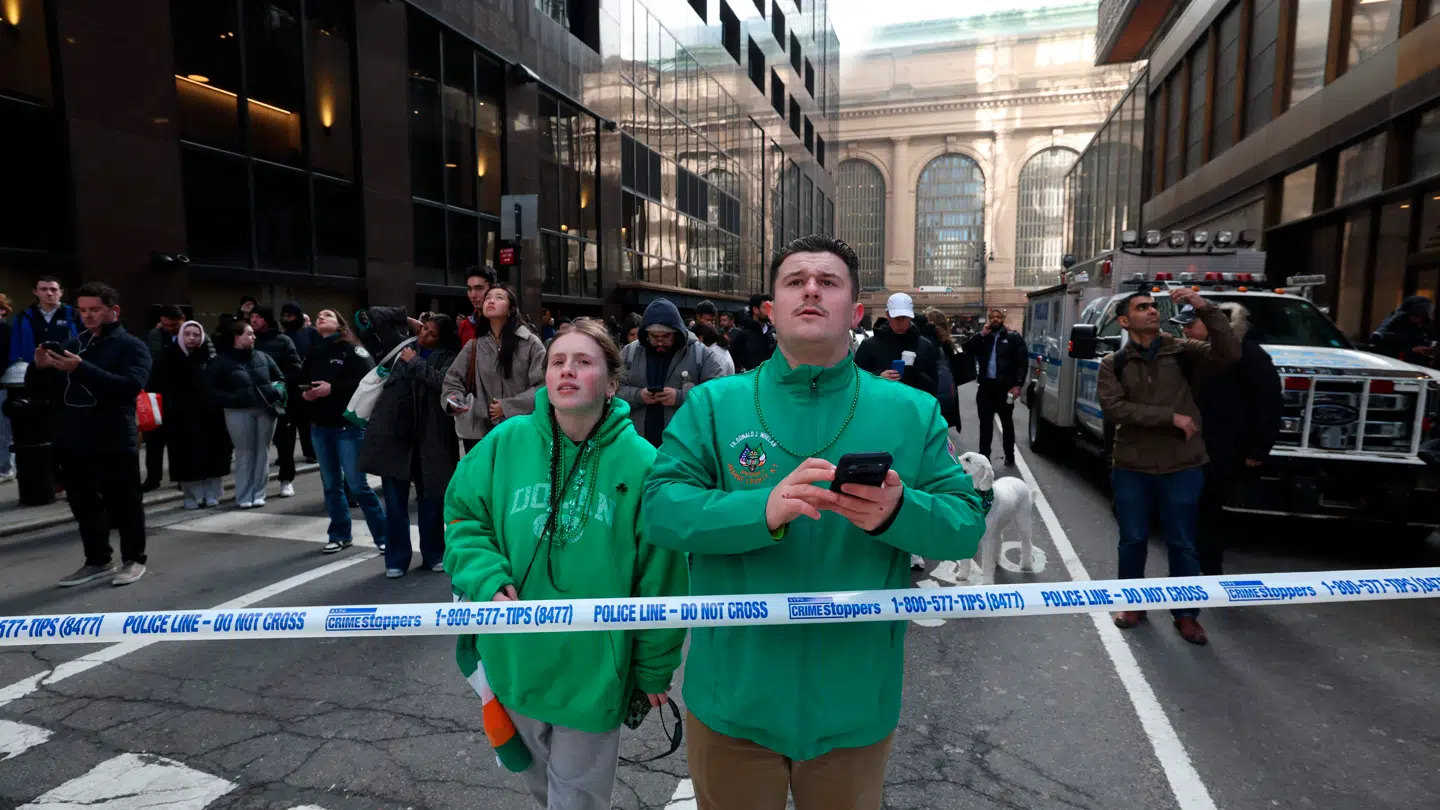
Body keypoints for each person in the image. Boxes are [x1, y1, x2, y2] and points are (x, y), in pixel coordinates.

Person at [641, 235, 986, 810]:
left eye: (827, 282)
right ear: (770, 311)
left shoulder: (911, 412)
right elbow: (660, 509)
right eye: (795, 281)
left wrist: (901, 513)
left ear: (855, 313)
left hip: (853, 707)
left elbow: (965, 526)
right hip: (733, 702)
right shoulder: (712, 405)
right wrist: (761, 511)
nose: (810, 290)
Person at [444, 318, 688, 810]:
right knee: (540, 790)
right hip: (514, 663)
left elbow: (661, 577)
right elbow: (464, 517)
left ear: (613, 382)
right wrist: (486, 574)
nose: (567, 371)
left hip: (594, 672)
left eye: (583, 361)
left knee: (575, 801)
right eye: (558, 361)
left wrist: (653, 668)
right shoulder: (504, 442)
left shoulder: (644, 463)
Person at [1098, 288, 1240, 646]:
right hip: (1132, 465)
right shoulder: (1112, 363)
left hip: (1183, 465)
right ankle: (1132, 605)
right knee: (1132, 540)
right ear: (1125, 321)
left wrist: (1204, 308)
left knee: (1183, 543)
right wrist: (1169, 417)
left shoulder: (1184, 352)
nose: (1151, 311)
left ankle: (1187, 615)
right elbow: (1116, 410)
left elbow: (1229, 352)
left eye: (1153, 306)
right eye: (1141, 307)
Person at [26, 283, 152, 587]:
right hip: (74, 438)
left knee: (124, 503)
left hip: (113, 437)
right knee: (84, 504)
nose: (88, 316)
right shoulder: (74, 342)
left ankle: (134, 558)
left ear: (114, 310)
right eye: (82, 310)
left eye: (95, 309)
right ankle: (97, 559)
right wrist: (40, 368)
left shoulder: (132, 346)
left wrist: (81, 368)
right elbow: (44, 392)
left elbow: (128, 387)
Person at [1173, 303, 1282, 575]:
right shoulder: (1191, 353)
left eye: (1190, 324)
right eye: (1183, 325)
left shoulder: (1250, 355)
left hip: (1222, 448)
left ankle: (1209, 571)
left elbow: (1268, 404)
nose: (1184, 329)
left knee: (1207, 510)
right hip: (1188, 447)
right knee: (1185, 508)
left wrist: (1258, 448)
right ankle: (1186, 569)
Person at [359, 315, 462, 578]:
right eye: (424, 329)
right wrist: (404, 317)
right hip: (395, 435)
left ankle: (434, 553)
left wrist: (414, 362)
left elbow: (444, 383)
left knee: (431, 501)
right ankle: (396, 559)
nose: (425, 336)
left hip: (433, 437)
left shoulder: (449, 356)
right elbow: (374, 314)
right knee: (394, 502)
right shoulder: (402, 347)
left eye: (432, 333)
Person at [302, 309, 387, 553]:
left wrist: (333, 389)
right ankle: (340, 534)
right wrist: (305, 393)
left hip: (347, 428)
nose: (320, 318)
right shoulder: (314, 350)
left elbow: (370, 382)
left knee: (358, 486)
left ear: (340, 323)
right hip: (320, 427)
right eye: (317, 316)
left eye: (327, 315)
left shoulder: (353, 350)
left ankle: (382, 536)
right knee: (331, 485)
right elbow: (301, 378)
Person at [442, 285, 547, 453]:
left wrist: (508, 406)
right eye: (488, 297)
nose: (491, 300)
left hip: (521, 432)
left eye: (499, 297)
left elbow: (544, 386)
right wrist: (454, 400)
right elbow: (453, 379)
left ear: (511, 309)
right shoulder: (476, 345)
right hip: (481, 435)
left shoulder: (530, 343)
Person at [618, 298, 728, 448]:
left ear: (677, 333)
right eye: (654, 337)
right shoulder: (629, 353)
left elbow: (718, 394)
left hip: (685, 446)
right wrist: (638, 395)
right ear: (645, 334)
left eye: (666, 336)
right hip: (637, 447)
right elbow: (613, 390)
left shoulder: (700, 354)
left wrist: (680, 397)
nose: (660, 341)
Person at [207, 321, 286, 509]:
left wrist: (276, 393)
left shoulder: (263, 357)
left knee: (263, 452)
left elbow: (280, 379)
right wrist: (233, 399)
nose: (254, 337)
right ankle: (243, 495)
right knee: (244, 453)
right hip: (237, 411)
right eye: (249, 334)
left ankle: (259, 493)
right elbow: (210, 389)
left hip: (266, 410)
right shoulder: (221, 361)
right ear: (237, 337)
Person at [161, 321, 229, 509]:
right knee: (186, 457)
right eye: (188, 334)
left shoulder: (209, 356)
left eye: (196, 335)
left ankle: (211, 494)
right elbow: (161, 384)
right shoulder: (169, 356)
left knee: (212, 455)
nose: (192, 338)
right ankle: (191, 495)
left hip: (210, 415)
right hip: (180, 416)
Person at [250, 305, 303, 497]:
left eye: (258, 317)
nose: (254, 320)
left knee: (284, 442)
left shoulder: (283, 341)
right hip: (252, 400)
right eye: (252, 316)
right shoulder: (248, 340)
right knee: (253, 445)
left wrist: (277, 383)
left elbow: (295, 368)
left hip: (278, 399)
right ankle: (254, 485)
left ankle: (286, 479)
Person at [964, 308, 1028, 466]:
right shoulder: (983, 338)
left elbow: (1022, 363)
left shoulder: (1013, 338)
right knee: (985, 425)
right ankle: (984, 458)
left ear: (1003, 319)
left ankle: (1009, 455)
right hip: (986, 388)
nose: (995, 320)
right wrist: (981, 335)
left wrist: (1018, 385)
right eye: (992, 317)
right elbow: (968, 349)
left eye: (998, 317)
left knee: (1007, 423)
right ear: (988, 319)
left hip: (1005, 389)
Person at [854, 292, 940, 398]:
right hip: (880, 406)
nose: (900, 322)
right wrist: (878, 377)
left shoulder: (925, 346)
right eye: (896, 317)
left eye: (904, 317)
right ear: (887, 315)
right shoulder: (869, 345)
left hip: (913, 408)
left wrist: (916, 376)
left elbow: (934, 387)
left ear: (911, 316)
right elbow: (855, 380)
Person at [141, 305, 186, 492]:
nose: (170, 328)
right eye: (166, 325)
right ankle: (153, 478)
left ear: (182, 319)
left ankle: (182, 477)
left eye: (174, 325)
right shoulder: (154, 337)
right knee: (154, 441)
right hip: (157, 395)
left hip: (181, 395)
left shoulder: (190, 334)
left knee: (180, 441)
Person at [7, 276, 79, 368]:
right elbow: (15, 347)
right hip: (34, 369)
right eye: (43, 289)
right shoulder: (23, 317)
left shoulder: (74, 315)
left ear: (61, 292)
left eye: (53, 289)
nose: (49, 293)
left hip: (68, 368)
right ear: (35, 292)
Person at [280, 301, 320, 461]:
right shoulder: (282, 336)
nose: (286, 319)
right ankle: (286, 454)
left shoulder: (311, 333)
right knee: (288, 422)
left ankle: (310, 452)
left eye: (290, 316)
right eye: (284, 316)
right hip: (287, 384)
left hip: (305, 383)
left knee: (306, 422)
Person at [1371, 295, 1434, 366]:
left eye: (1422, 316)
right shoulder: (1395, 324)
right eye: (1416, 315)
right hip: (1396, 364)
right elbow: (1384, 347)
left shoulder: (1423, 326)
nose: (1419, 319)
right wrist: (1412, 350)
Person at [728, 293, 776, 372]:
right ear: (756, 310)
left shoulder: (772, 333)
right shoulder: (742, 335)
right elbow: (735, 362)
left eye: (770, 308)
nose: (769, 311)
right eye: (765, 307)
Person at [456, 265, 499, 346]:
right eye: (469, 289)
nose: (473, 295)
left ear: (493, 289)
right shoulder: (464, 326)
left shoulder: (504, 323)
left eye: (479, 288)